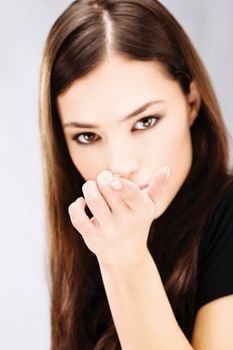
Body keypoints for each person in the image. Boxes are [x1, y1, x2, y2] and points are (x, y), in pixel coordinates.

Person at [38, 0, 233, 349]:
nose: (119, 164)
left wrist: (126, 262)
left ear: (191, 103)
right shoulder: (87, 239)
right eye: (87, 136)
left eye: (145, 122)